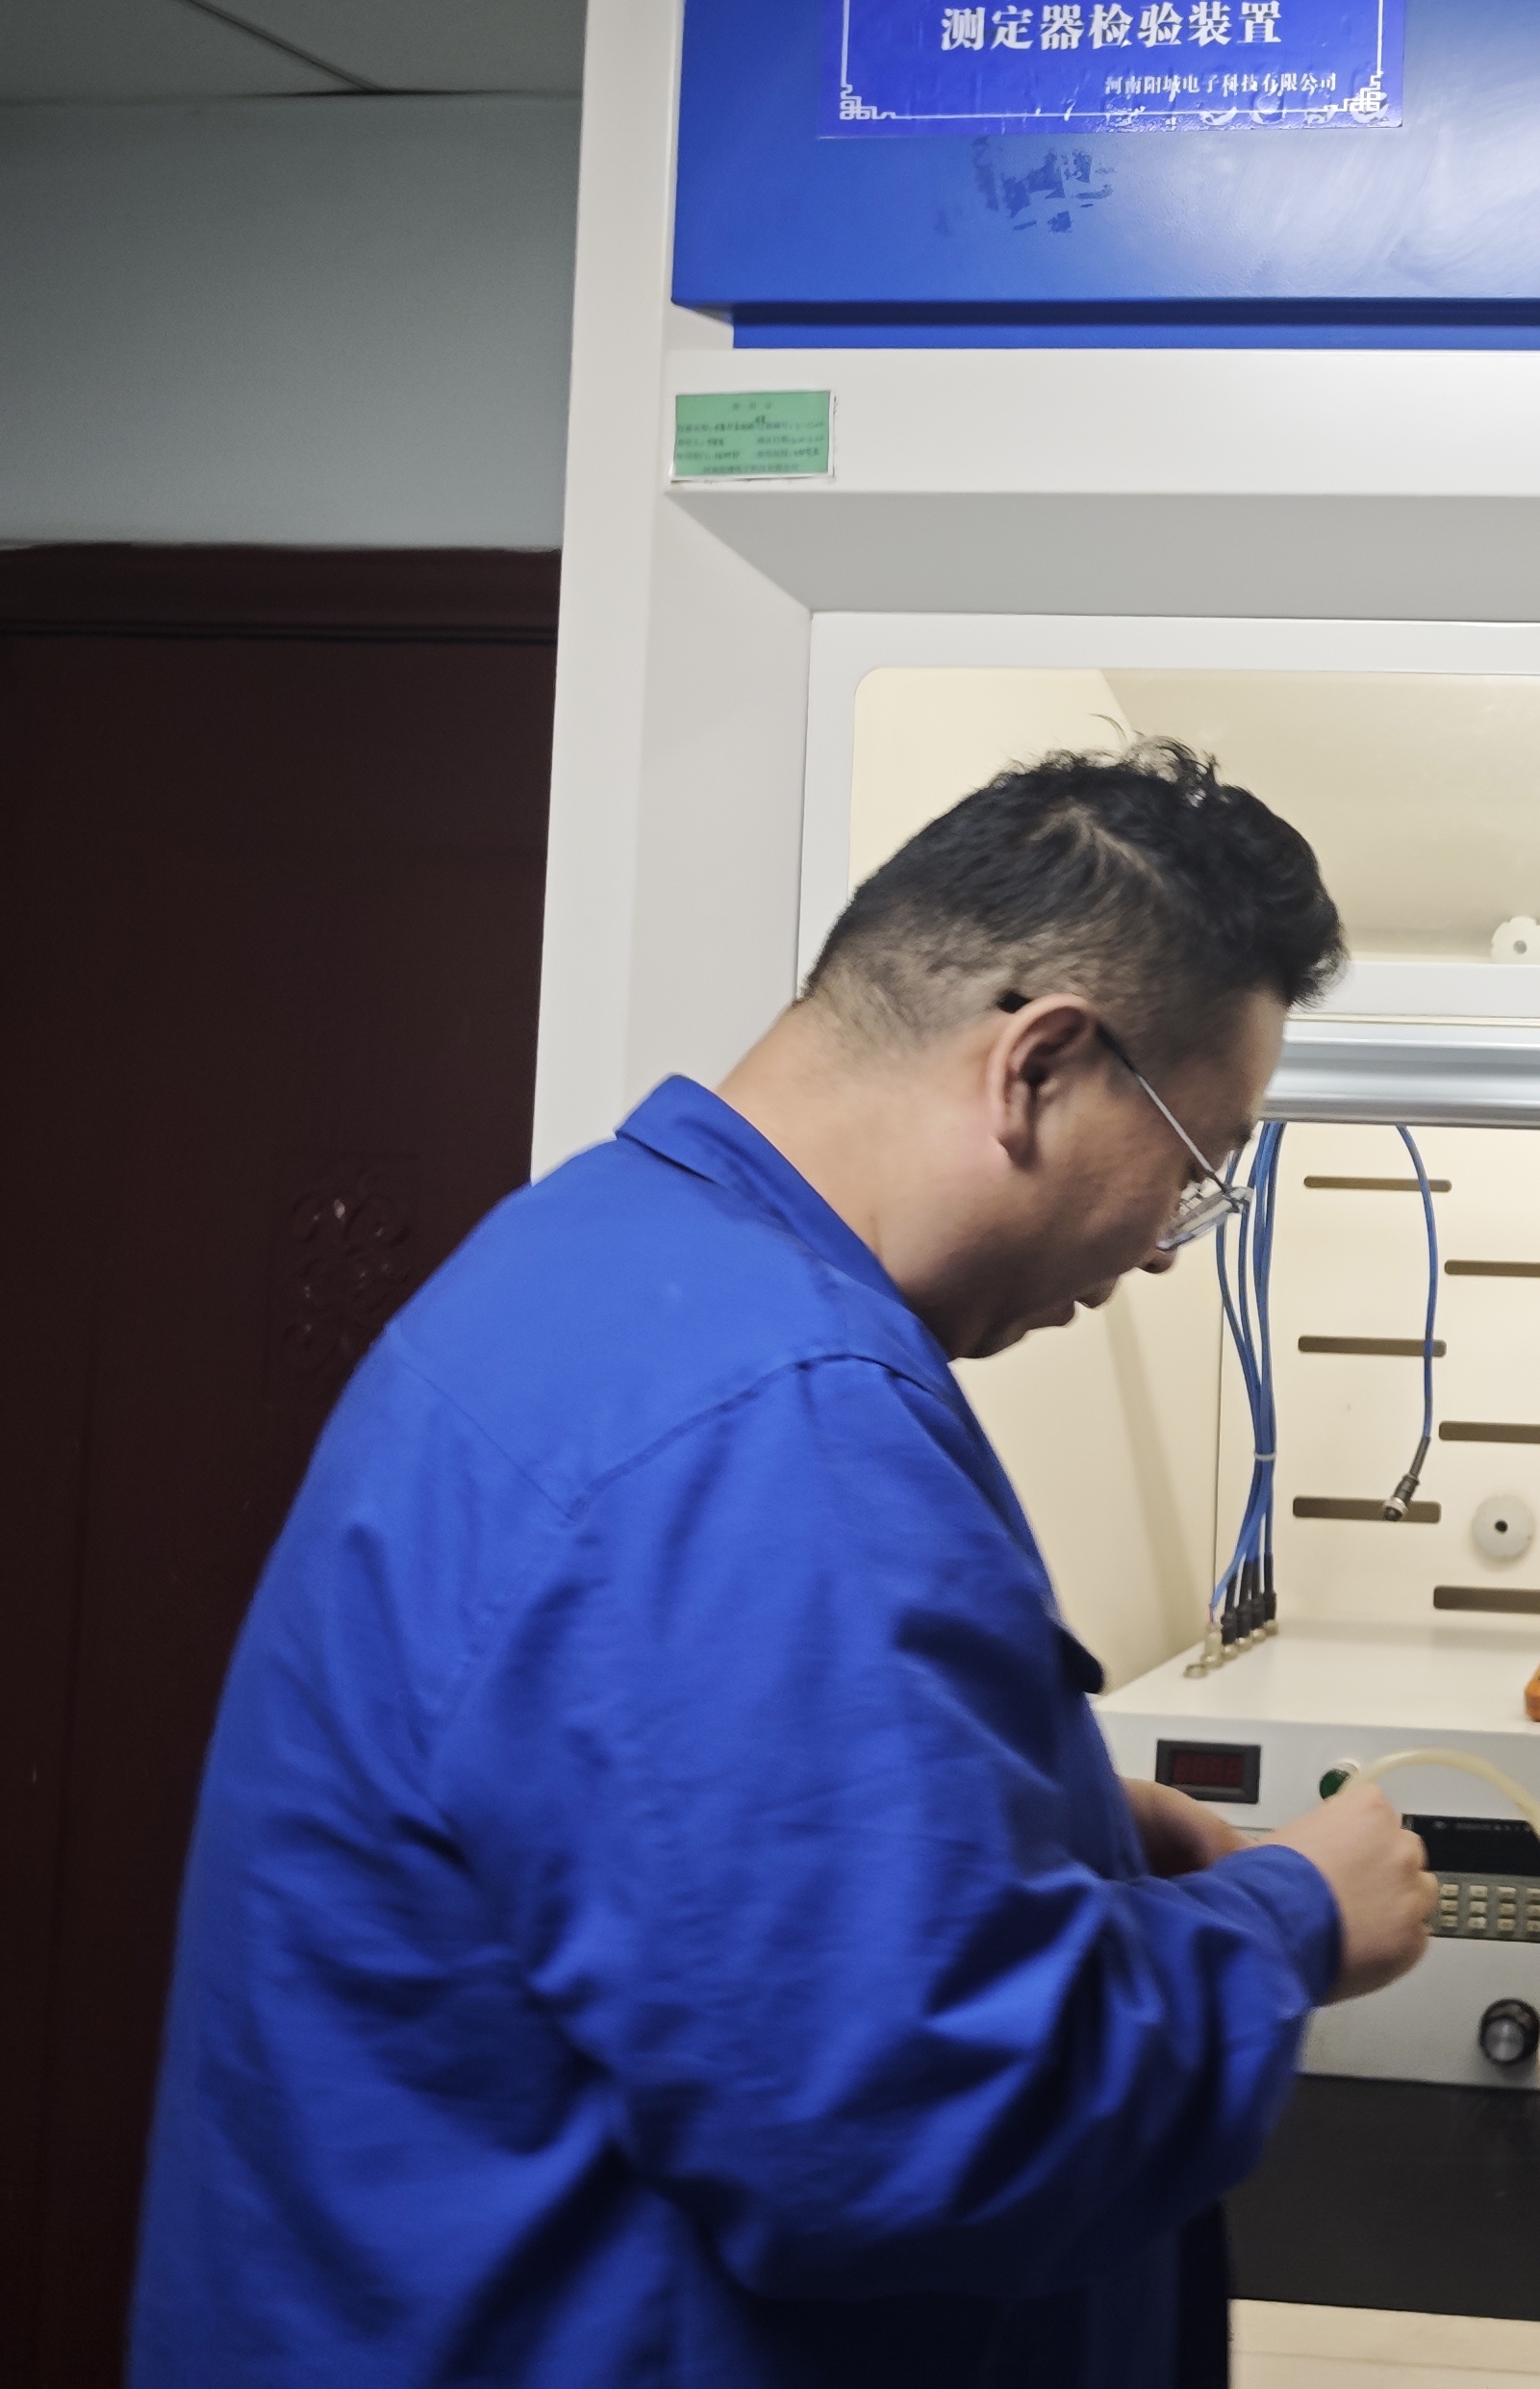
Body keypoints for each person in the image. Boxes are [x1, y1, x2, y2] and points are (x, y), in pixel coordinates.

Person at [136, 743, 1435, 2388]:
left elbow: (654, 1842)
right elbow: (918, 2129)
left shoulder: (604, 1260)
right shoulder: (774, 1417)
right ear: (1039, 1067)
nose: (1166, 1248)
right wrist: (1291, 1919)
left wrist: (1032, 1817)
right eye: (1194, 1165)